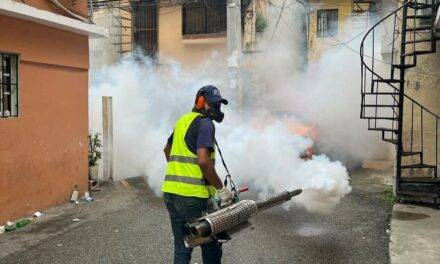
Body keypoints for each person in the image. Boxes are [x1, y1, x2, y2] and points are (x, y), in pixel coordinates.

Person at [162, 85, 234, 264]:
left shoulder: (182, 120)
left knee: (182, 247)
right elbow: (203, 160)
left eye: (219, 105)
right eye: (214, 105)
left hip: (171, 194)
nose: (217, 109)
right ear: (201, 101)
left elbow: (167, 150)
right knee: (210, 245)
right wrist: (221, 188)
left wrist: (179, 171)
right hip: (194, 198)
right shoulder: (205, 124)